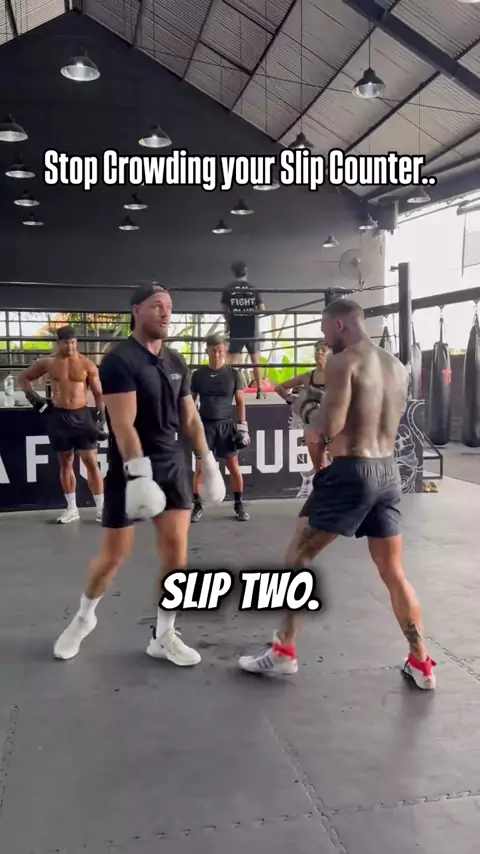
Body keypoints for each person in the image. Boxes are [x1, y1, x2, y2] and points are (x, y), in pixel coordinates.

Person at [237, 298, 436, 691]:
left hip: (352, 471)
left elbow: (327, 426)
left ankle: (283, 651)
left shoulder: (344, 362)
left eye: (325, 328)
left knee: (297, 558)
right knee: (393, 571)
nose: (323, 337)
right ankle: (421, 661)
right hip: (387, 472)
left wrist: (302, 405)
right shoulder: (396, 366)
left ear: (340, 325)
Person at [53, 284, 225, 666]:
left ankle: (163, 635)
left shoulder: (176, 361)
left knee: (176, 553)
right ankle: (84, 618)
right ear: (136, 311)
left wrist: (208, 461)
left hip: (172, 463)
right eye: (157, 306)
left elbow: (190, 418)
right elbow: (123, 424)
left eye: (169, 307)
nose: (165, 313)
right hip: (132, 467)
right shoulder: (120, 362)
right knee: (114, 556)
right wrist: (138, 473)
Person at [18, 326, 107, 524]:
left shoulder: (87, 364)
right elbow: (22, 378)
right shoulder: (48, 363)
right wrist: (35, 400)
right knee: (66, 463)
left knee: (91, 463)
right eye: (66, 343)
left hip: (82, 416)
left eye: (73, 342)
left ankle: (101, 509)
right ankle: (72, 509)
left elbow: (99, 393)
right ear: (58, 342)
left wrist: (101, 417)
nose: (71, 346)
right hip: (58, 417)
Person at [191, 332, 250, 523]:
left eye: (219, 350)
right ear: (206, 351)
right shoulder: (198, 375)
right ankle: (197, 505)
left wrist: (243, 427)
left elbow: (240, 402)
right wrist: (191, 426)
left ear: (224, 351)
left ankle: (239, 504)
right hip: (204, 427)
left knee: (233, 466)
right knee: (200, 468)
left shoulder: (234, 374)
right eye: (212, 350)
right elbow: (191, 403)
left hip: (226, 426)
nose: (216, 354)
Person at [275, 339, 331, 473]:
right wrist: (291, 399)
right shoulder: (307, 377)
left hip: (332, 424)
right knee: (319, 467)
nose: (319, 353)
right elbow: (279, 387)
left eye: (323, 350)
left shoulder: (339, 376)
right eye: (317, 350)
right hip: (313, 425)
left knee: (336, 466)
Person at [221, 261, 266, 399]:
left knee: (232, 360)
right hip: (251, 328)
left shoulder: (229, 288)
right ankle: (259, 390)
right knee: (255, 360)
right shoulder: (252, 288)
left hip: (236, 327)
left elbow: (224, 310)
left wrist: (230, 321)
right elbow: (262, 308)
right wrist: (250, 312)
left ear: (234, 272)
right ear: (246, 271)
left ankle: (228, 389)